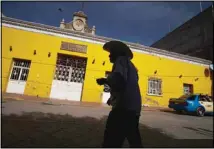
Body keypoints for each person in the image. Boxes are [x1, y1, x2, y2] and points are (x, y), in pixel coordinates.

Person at [96, 41, 142, 148]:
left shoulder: (120, 60)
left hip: (123, 109)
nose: (109, 55)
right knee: (134, 141)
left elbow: (119, 81)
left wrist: (105, 80)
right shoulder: (132, 67)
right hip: (134, 109)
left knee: (111, 141)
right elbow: (127, 86)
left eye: (111, 52)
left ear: (117, 53)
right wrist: (112, 99)